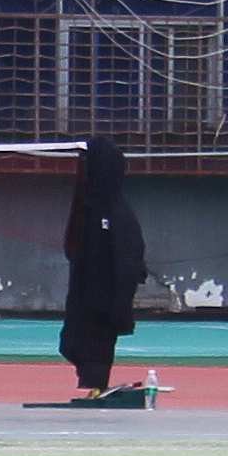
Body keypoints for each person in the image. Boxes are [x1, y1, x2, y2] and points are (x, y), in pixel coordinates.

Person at [57, 134, 146, 404]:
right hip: (84, 291)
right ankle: (93, 383)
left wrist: (119, 296)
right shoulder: (88, 209)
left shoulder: (118, 213)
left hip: (105, 298)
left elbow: (130, 254)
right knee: (73, 341)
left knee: (96, 341)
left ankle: (97, 384)